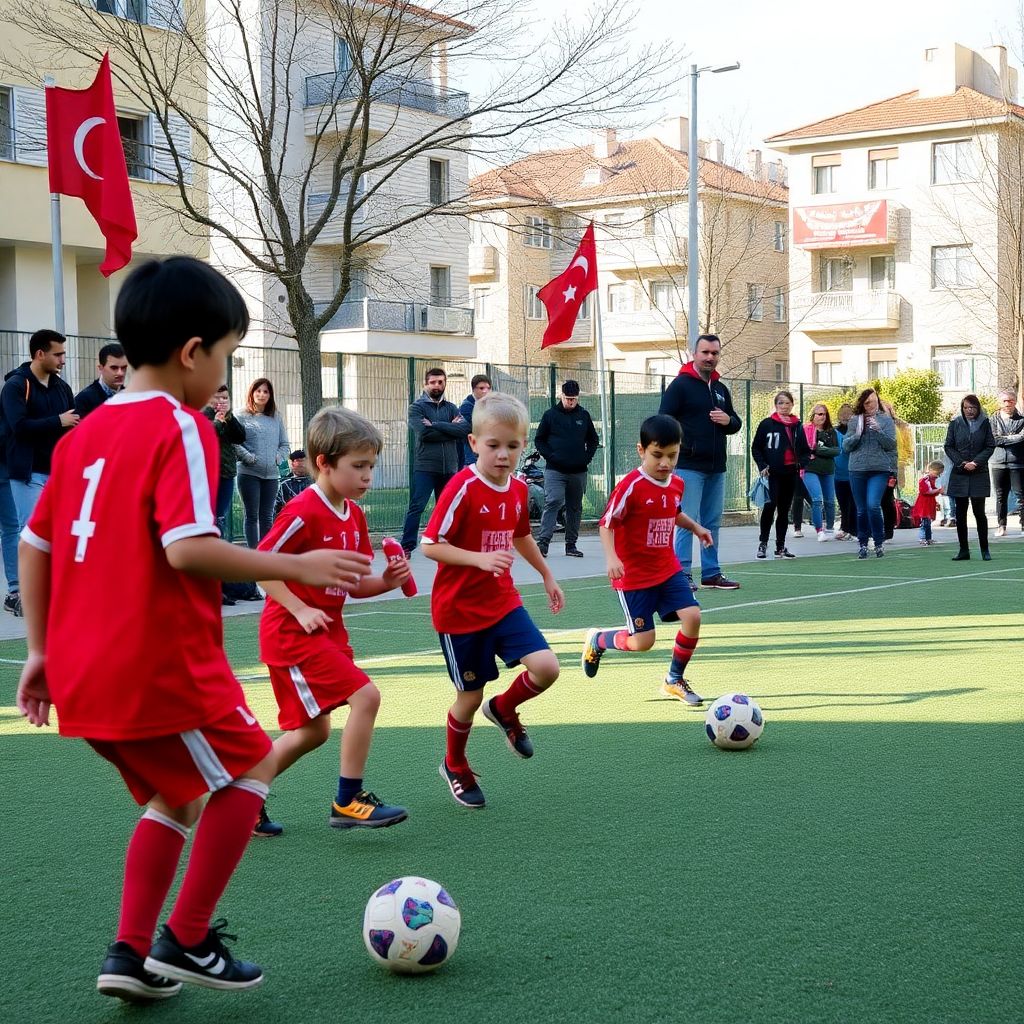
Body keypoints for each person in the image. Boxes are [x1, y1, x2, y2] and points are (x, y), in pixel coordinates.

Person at [14, 256, 371, 1001]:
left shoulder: (80, 437)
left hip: (83, 674)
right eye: (228, 356)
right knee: (248, 768)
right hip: (157, 664)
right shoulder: (180, 426)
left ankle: (129, 955)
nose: (224, 374)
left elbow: (34, 545)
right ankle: (190, 936)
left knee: (173, 798)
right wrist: (292, 569)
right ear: (191, 353)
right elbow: (186, 549)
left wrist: (41, 651)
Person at [257, 407, 411, 835]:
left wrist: (386, 581)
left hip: (325, 634)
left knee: (312, 733)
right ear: (323, 463)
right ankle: (348, 801)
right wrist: (300, 607)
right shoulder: (303, 511)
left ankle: (242, 793)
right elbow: (262, 565)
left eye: (371, 467)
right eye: (358, 466)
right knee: (367, 696)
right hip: (293, 635)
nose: (368, 477)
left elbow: (354, 586)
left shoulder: (355, 516)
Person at [422, 392, 564, 810]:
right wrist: (479, 559)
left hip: (502, 602)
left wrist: (545, 573)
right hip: (459, 613)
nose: (503, 455)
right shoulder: (462, 487)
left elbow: (520, 535)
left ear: (524, 445)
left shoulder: (519, 489)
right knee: (468, 698)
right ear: (473, 443)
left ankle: (503, 709)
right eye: (493, 445)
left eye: (513, 446)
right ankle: (455, 764)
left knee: (547, 668)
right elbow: (431, 545)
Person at [580, 414, 713, 707]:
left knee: (693, 616)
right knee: (643, 642)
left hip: (667, 568)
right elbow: (606, 523)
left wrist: (696, 528)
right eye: (657, 455)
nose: (665, 463)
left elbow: (673, 512)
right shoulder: (631, 485)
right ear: (641, 450)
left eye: (672, 455)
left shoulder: (676, 483)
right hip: (634, 576)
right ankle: (599, 640)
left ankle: (673, 679)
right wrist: (611, 557)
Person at [658, 334, 742, 590]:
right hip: (688, 466)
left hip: (716, 467)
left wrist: (729, 421)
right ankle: (682, 573)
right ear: (694, 354)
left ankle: (711, 572)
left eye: (714, 353)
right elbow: (664, 419)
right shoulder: (681, 385)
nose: (710, 357)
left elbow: (735, 422)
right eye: (705, 352)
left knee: (712, 522)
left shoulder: (720, 389)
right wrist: (684, 446)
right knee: (687, 520)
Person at [1, 329, 78, 530]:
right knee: (33, 535)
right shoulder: (16, 386)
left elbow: (73, 426)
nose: (63, 360)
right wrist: (57, 421)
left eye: (63, 354)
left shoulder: (62, 387)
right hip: (29, 474)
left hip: (57, 472)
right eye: (58, 355)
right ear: (40, 354)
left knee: (60, 533)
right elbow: (18, 427)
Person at [400, 367, 469, 555]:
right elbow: (424, 433)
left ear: (445, 383)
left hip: (449, 467)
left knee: (447, 508)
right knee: (417, 506)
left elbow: (464, 430)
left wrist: (437, 425)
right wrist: (449, 430)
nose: (437, 386)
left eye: (440, 382)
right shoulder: (417, 407)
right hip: (425, 466)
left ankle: (444, 543)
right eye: (433, 382)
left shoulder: (451, 407)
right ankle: (406, 546)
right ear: (425, 384)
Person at [533, 379, 600, 558]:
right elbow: (539, 439)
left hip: (578, 471)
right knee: (553, 501)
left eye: (574, 399)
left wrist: (586, 458)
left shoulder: (583, 416)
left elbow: (593, 440)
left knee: (575, 507)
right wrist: (552, 456)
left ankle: (571, 545)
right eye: (567, 398)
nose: (570, 402)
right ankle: (543, 543)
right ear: (561, 396)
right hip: (555, 470)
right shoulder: (550, 415)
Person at [751, 390, 811, 560]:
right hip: (773, 473)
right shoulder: (767, 424)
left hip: (790, 473)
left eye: (787, 403)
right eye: (781, 403)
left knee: (784, 510)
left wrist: (802, 463)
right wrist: (763, 465)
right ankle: (763, 543)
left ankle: (780, 546)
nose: (784, 406)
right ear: (775, 405)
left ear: (792, 405)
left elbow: (805, 450)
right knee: (770, 507)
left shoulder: (797, 426)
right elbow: (756, 447)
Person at [843, 387, 897, 559]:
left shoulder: (886, 420)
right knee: (861, 510)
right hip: (857, 468)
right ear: (862, 404)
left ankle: (879, 542)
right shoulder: (855, 420)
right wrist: (857, 435)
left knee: (873, 505)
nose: (871, 406)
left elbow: (890, 445)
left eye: (874, 402)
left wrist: (878, 431)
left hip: (878, 468)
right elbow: (846, 446)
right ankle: (863, 544)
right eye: (867, 403)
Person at [236, 377, 289, 548]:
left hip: (271, 476)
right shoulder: (241, 415)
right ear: (252, 393)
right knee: (252, 515)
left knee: (267, 516)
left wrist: (277, 458)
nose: (262, 394)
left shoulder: (276, 417)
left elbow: (284, 445)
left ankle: (265, 554)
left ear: (270, 395)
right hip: (249, 474)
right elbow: (234, 442)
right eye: (258, 391)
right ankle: (254, 556)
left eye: (265, 391)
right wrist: (248, 457)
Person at [944, 393, 995, 561]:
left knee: (979, 512)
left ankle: (984, 549)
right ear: (962, 408)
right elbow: (949, 446)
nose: (969, 411)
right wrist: (962, 463)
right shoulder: (955, 423)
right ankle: (963, 550)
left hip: (979, 473)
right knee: (960, 513)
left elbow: (989, 446)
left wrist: (976, 462)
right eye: (966, 407)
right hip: (960, 473)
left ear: (978, 408)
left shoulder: (985, 423)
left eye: (972, 407)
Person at [202, 383, 246, 539]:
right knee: (209, 516)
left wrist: (230, 418)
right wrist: (218, 423)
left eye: (225, 398)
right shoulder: (203, 415)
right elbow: (207, 436)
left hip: (226, 473)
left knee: (221, 516)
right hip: (207, 474)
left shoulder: (228, 417)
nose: (221, 401)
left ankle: (219, 549)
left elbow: (240, 437)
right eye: (217, 397)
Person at [802, 403, 840, 541]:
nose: (822, 417)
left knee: (830, 501)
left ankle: (829, 528)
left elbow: (836, 451)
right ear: (813, 415)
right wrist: (819, 451)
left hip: (828, 470)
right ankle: (819, 530)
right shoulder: (806, 430)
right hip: (810, 469)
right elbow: (803, 449)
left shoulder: (831, 432)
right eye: (819, 414)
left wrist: (819, 450)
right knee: (817, 500)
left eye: (824, 414)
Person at [989, 388, 1024, 538]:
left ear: (1015, 401)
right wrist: (1012, 438)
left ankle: (1023, 525)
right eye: (1005, 401)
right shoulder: (992, 419)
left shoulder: (1021, 419)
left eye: (1010, 400)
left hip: (1017, 462)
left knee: (1020, 495)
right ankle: (1001, 525)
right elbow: (993, 439)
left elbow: (1023, 438)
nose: (1008, 404)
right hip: (998, 462)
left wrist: (1005, 438)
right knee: (1000, 496)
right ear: (1000, 402)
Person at [74, 342, 129, 417]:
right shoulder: (84, 400)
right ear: (101, 368)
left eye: (123, 368)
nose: (120, 373)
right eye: (114, 368)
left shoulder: (130, 396)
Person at [833, 403, 856, 540]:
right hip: (838, 473)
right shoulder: (834, 432)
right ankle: (845, 528)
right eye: (843, 414)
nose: (845, 417)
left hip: (854, 472)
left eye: (849, 414)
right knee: (842, 503)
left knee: (853, 503)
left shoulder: (856, 431)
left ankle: (852, 530)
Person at [459, 374, 491, 466]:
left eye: (488, 388)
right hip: (471, 451)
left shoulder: (488, 404)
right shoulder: (467, 406)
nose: (485, 391)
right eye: (481, 388)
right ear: (473, 389)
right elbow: (472, 428)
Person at [912, 461, 944, 546]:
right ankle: (922, 538)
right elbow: (926, 491)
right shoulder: (925, 480)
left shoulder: (934, 480)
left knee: (928, 522)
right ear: (931, 470)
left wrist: (938, 491)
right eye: (937, 473)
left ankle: (928, 538)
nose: (937, 475)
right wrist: (938, 490)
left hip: (929, 503)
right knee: (924, 522)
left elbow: (933, 491)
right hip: (924, 504)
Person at [275, 449, 313, 517]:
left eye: (304, 461)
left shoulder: (314, 483)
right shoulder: (284, 484)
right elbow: (277, 507)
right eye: (299, 461)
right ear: (292, 463)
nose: (303, 465)